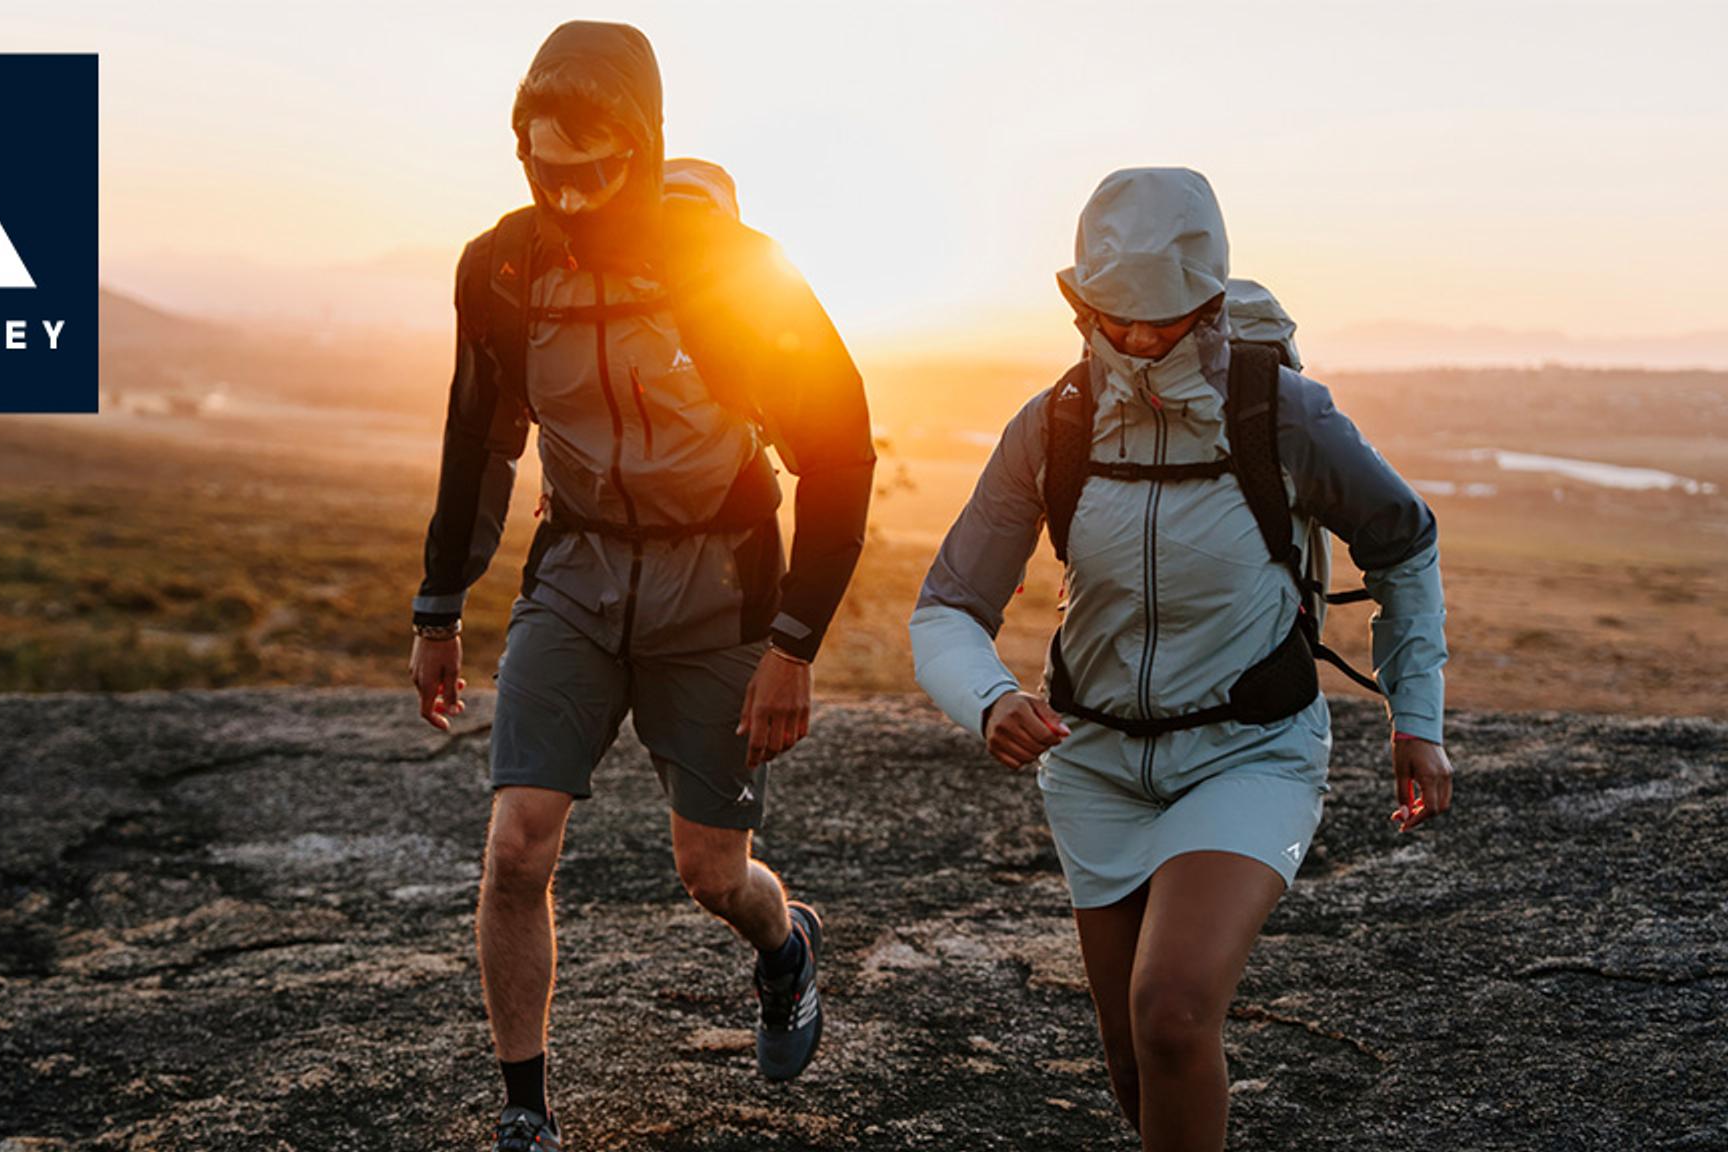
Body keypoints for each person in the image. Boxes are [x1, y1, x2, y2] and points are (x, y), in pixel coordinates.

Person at [909, 167, 1453, 1149]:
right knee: (1134, 1062)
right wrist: (987, 698)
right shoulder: (1054, 423)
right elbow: (947, 606)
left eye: (1158, 320)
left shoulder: (1284, 413)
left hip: (1249, 754)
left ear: (1206, 305)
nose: (1134, 338)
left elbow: (1403, 542)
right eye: (1112, 317)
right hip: (1095, 768)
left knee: (1169, 1010)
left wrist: (1415, 718)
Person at [408, 21, 876, 1152]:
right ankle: (526, 1114)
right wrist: (439, 604)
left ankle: (784, 948)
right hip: (575, 574)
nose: (567, 197)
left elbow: (840, 452)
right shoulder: (502, 268)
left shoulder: (729, 270)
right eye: (544, 171)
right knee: (517, 847)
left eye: (592, 172)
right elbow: (479, 439)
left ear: (641, 148)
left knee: (711, 872)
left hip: (716, 584)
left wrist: (793, 645)